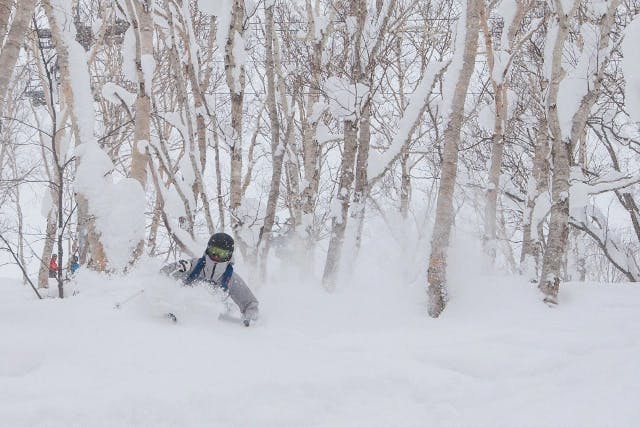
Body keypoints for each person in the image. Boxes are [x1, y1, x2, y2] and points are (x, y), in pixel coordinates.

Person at [163, 233, 259, 327]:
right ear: (208, 249)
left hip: (213, 322)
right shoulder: (192, 265)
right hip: (186, 310)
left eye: (222, 254)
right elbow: (162, 275)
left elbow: (250, 304)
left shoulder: (231, 278)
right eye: (214, 251)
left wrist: (249, 317)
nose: (216, 256)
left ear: (229, 255)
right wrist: (177, 270)